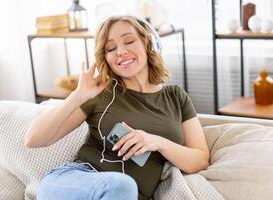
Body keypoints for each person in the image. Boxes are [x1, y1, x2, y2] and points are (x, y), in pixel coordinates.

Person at [24, 15, 210, 200]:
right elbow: (33, 139)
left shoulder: (175, 97)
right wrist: (77, 96)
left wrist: (158, 142)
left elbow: (200, 159)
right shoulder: (101, 93)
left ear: (147, 42)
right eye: (111, 48)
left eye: (129, 41)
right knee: (122, 185)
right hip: (73, 181)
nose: (121, 51)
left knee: (123, 188)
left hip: (125, 195)